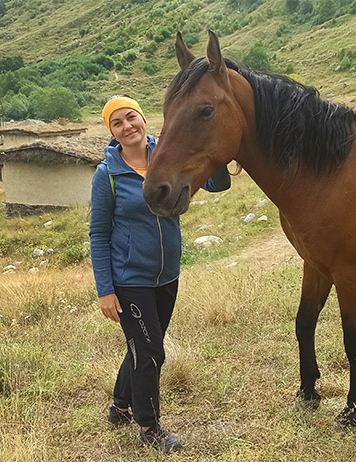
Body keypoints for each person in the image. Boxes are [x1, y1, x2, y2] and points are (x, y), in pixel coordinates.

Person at [89, 95, 230, 453]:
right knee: (151, 352)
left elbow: (217, 185)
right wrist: (105, 290)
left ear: (143, 118)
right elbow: (99, 234)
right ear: (112, 131)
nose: (127, 126)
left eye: (131, 117)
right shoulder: (107, 175)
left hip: (167, 276)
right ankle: (149, 427)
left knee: (142, 346)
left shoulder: (169, 156)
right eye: (117, 122)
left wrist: (219, 151)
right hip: (129, 280)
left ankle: (120, 406)